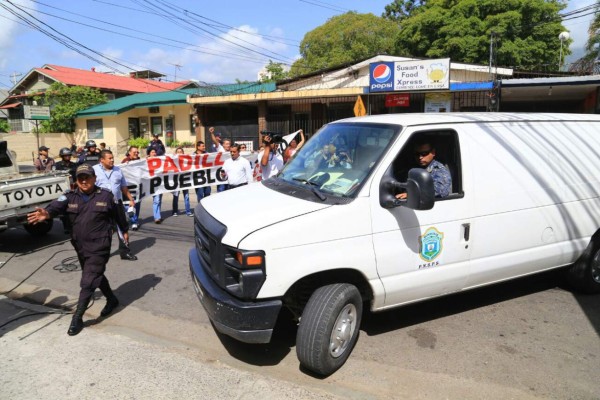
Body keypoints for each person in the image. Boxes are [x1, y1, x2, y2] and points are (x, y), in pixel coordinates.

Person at [26, 164, 127, 336]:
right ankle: (112, 299)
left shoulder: (106, 196)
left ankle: (77, 318)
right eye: (80, 178)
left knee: (88, 281)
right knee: (96, 275)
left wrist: (124, 235)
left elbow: (119, 217)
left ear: (95, 178)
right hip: (80, 246)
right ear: (76, 180)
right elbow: (55, 207)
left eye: (87, 177)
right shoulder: (69, 197)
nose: (84, 180)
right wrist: (47, 214)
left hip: (100, 246)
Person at [93, 150, 138, 261]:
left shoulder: (118, 170)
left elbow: (123, 187)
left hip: (117, 203)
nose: (112, 160)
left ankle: (125, 252)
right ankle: (102, 253)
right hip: (101, 205)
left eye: (112, 157)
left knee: (123, 228)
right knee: (102, 230)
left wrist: (131, 199)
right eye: (109, 158)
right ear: (102, 160)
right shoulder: (94, 170)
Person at [121, 146, 142, 230]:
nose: (136, 153)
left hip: (138, 188)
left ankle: (134, 220)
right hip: (128, 188)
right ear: (129, 153)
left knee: (137, 205)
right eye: (134, 152)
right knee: (128, 205)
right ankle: (133, 220)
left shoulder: (140, 161)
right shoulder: (125, 161)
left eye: (137, 152)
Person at [172, 147, 193, 216]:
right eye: (178, 152)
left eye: (181, 152)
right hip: (176, 181)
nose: (179, 153)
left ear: (183, 153)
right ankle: (175, 211)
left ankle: (188, 211)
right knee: (176, 196)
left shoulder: (186, 160)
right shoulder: (173, 160)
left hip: (185, 180)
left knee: (186, 196)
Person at [209, 127, 231, 192]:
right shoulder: (220, 148)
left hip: (230, 174)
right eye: (227, 144)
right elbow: (215, 141)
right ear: (223, 145)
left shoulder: (232, 151)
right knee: (221, 190)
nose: (228, 145)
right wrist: (212, 133)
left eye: (229, 144)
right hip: (221, 174)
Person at [147, 149, 163, 223]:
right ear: (149, 154)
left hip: (160, 183)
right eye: (152, 152)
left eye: (155, 152)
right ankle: (157, 217)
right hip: (152, 184)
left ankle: (158, 215)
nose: (154, 153)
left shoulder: (159, 160)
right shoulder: (145, 161)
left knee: (159, 200)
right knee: (156, 200)